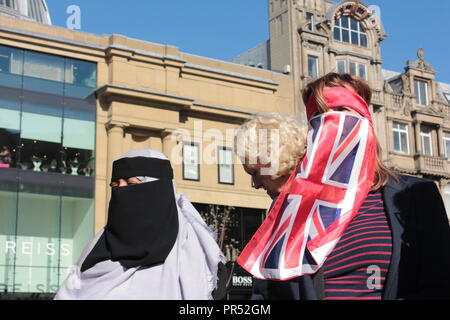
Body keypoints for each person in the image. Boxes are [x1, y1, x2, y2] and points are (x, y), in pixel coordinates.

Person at [236, 73, 450, 300]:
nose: (333, 126)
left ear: (364, 122)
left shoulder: (415, 196)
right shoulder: (291, 209)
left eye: (341, 113)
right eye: (319, 117)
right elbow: (266, 295)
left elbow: (439, 286)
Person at [55, 148, 226, 300]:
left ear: (158, 191)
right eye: (115, 185)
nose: (120, 190)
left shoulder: (194, 258)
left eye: (131, 184)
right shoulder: (97, 250)